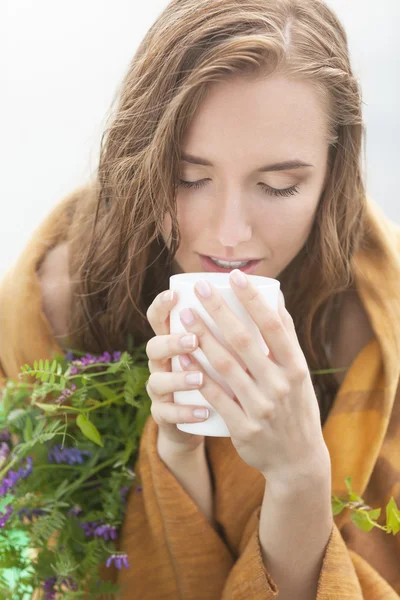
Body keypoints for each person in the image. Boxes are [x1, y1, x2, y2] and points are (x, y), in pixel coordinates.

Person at [1, 0, 400, 598]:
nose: (230, 232)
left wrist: (299, 477)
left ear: (333, 176)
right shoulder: (54, 309)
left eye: (278, 186)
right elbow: (44, 571)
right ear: (139, 159)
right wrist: (178, 457)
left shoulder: (377, 320)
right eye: (189, 178)